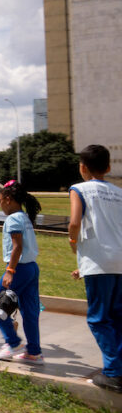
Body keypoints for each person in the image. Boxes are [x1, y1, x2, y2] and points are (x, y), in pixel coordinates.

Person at [68, 144, 122, 392]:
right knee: (118, 316)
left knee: (99, 318)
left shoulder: (79, 189)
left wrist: (73, 242)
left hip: (100, 262)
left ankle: (113, 372)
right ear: (109, 167)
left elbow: (74, 222)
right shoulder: (118, 192)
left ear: (82, 167)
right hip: (120, 261)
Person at [0, 180, 43, 364]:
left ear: (8, 199)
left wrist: (10, 270)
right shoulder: (24, 217)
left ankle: (13, 343)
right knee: (29, 312)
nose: (0, 205)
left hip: (19, 268)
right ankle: (34, 352)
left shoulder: (13, 219)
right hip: (31, 268)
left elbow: (17, 247)